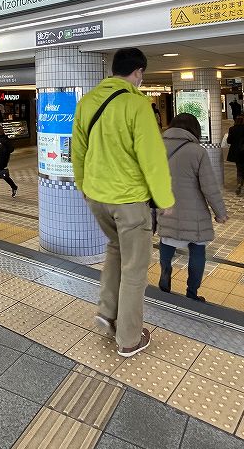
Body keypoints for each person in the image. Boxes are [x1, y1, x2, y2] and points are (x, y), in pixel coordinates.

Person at [72, 47, 174, 358]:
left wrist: (84, 186)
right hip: (129, 201)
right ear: (138, 72)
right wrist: (165, 198)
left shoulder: (88, 102)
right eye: (142, 74)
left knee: (116, 249)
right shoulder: (136, 104)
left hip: (97, 197)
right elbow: (152, 156)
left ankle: (106, 312)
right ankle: (129, 338)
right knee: (135, 268)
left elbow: (77, 150)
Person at [158, 113, 227, 303]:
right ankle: (192, 293)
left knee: (166, 240)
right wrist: (220, 213)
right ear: (195, 129)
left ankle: (165, 276)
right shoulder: (197, 151)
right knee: (197, 250)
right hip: (194, 213)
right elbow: (210, 187)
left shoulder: (157, 148)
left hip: (166, 207)